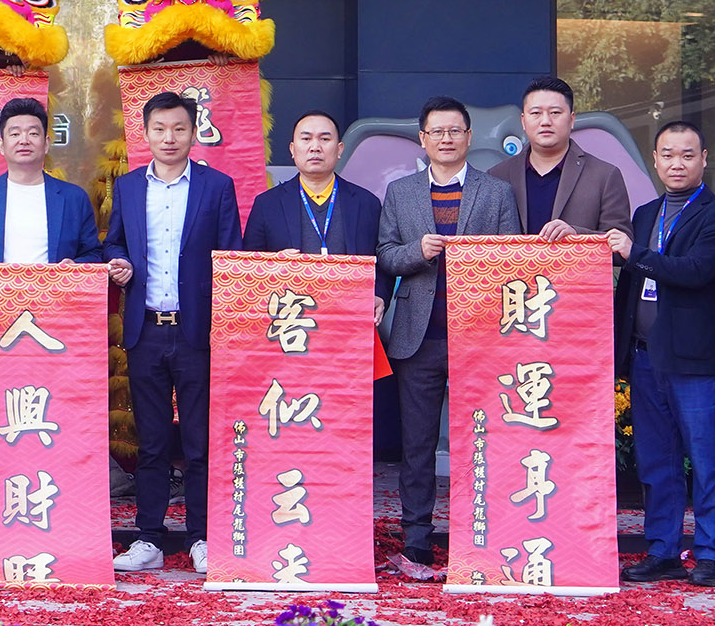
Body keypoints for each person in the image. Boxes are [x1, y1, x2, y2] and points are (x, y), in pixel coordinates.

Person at [376, 96, 521, 567]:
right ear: (422, 138)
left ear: (469, 137)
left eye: (455, 130)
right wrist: (416, 252)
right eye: (437, 131)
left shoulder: (496, 192)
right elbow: (385, 255)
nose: (446, 139)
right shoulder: (400, 192)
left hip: (478, 339)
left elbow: (512, 261)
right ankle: (417, 536)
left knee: (479, 442)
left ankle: (478, 532)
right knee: (417, 446)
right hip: (418, 339)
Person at [104, 91, 242, 575]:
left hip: (197, 331)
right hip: (146, 330)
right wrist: (117, 263)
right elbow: (114, 242)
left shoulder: (216, 187)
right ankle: (148, 538)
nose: (169, 138)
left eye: (179, 128)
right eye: (160, 129)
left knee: (200, 441)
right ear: (145, 133)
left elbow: (231, 256)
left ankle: (201, 536)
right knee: (152, 441)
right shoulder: (128, 187)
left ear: (193, 132)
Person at [608, 121, 715, 588]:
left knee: (706, 460)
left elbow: (697, 272)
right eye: (667, 155)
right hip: (645, 357)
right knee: (655, 463)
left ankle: (711, 554)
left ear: (704, 159)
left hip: (691, 359)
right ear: (655, 160)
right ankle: (662, 551)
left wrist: (636, 253)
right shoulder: (645, 213)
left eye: (686, 155)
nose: (676, 164)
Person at [243, 109, 386, 326]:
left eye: (324, 139)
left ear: (339, 149)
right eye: (306, 139)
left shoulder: (366, 203)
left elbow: (383, 260)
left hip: (350, 322)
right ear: (293, 149)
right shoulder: (267, 205)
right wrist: (273, 267)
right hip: (290, 324)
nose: (315, 147)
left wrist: (380, 295)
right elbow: (248, 268)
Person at [0, 97, 102, 265]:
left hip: (55, 283)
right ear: (1, 145)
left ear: (46, 144)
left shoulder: (74, 198)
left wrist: (74, 267)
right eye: (15, 134)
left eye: (33, 133)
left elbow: (93, 254)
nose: (24, 140)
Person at [487, 76, 631, 241]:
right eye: (536, 113)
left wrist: (576, 236)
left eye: (555, 113)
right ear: (523, 121)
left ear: (571, 119)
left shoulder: (604, 176)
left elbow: (620, 244)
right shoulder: (497, 176)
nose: (545, 121)